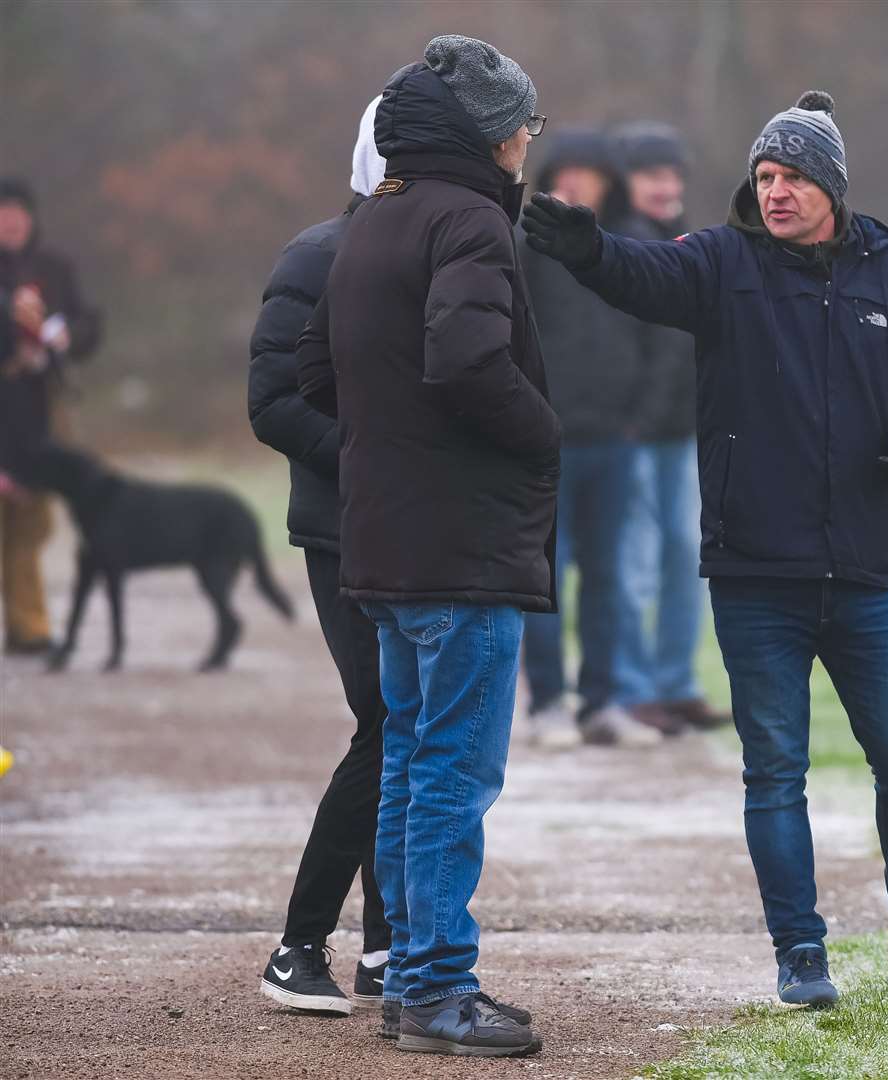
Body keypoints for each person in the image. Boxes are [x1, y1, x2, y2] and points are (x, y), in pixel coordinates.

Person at [522, 91, 888, 1007]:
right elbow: (641, 273)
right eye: (764, 177)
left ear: (832, 187)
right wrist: (587, 251)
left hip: (868, 575)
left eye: (793, 177)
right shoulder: (722, 264)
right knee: (775, 773)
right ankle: (798, 953)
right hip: (755, 574)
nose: (774, 192)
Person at [297, 35, 558, 1057]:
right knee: (452, 767)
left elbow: (320, 378)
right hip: (461, 546)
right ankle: (442, 992)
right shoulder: (469, 224)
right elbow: (467, 363)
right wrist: (545, 434)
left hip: (384, 540)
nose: (531, 140)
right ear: (495, 135)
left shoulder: (370, 224)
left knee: (410, 758)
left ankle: (411, 981)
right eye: (525, 123)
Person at [247, 96, 391, 1017]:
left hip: (419, 530)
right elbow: (272, 405)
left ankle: (387, 947)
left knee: (404, 730)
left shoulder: (440, 252)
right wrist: (376, 456)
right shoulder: (315, 255)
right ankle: (301, 945)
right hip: (345, 530)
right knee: (386, 726)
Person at [512, 128, 661, 749]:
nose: (572, 181)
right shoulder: (525, 245)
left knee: (608, 574)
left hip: (617, 439)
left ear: (609, 181)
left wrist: (642, 416)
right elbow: (510, 334)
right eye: (563, 170)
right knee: (542, 575)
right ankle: (548, 701)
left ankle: (604, 703)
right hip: (546, 440)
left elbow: (665, 339)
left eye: (587, 171)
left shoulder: (637, 245)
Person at [608, 122, 729, 735]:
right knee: (633, 565)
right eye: (653, 174)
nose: (667, 185)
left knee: (687, 558)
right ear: (625, 180)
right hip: (629, 435)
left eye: (673, 174)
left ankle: (674, 683)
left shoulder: (684, 245)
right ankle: (631, 688)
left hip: (680, 432)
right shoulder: (611, 249)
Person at [0, 178, 101, 657]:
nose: (12, 221)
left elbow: (88, 324)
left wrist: (62, 336)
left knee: (32, 519)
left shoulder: (54, 267)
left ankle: (29, 626)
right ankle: (27, 625)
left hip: (39, 410)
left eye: (18, 212)